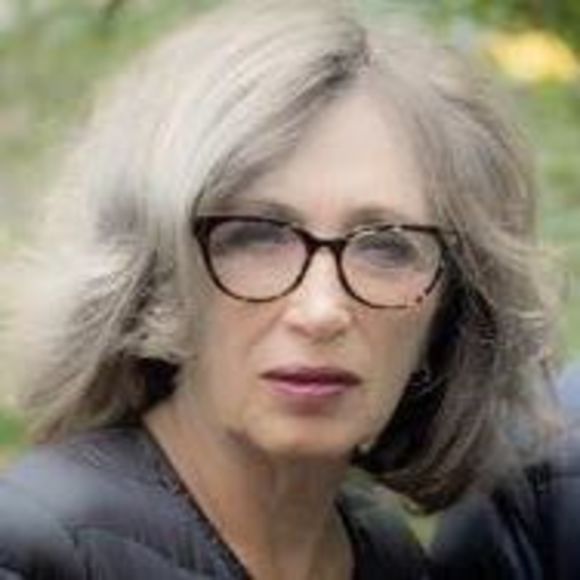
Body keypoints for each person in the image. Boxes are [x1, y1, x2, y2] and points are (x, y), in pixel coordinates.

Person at [0, 1, 560, 578]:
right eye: (255, 236)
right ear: (158, 280)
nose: (321, 311)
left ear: (451, 308)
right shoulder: (34, 547)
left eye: (387, 247)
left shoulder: (392, 560)